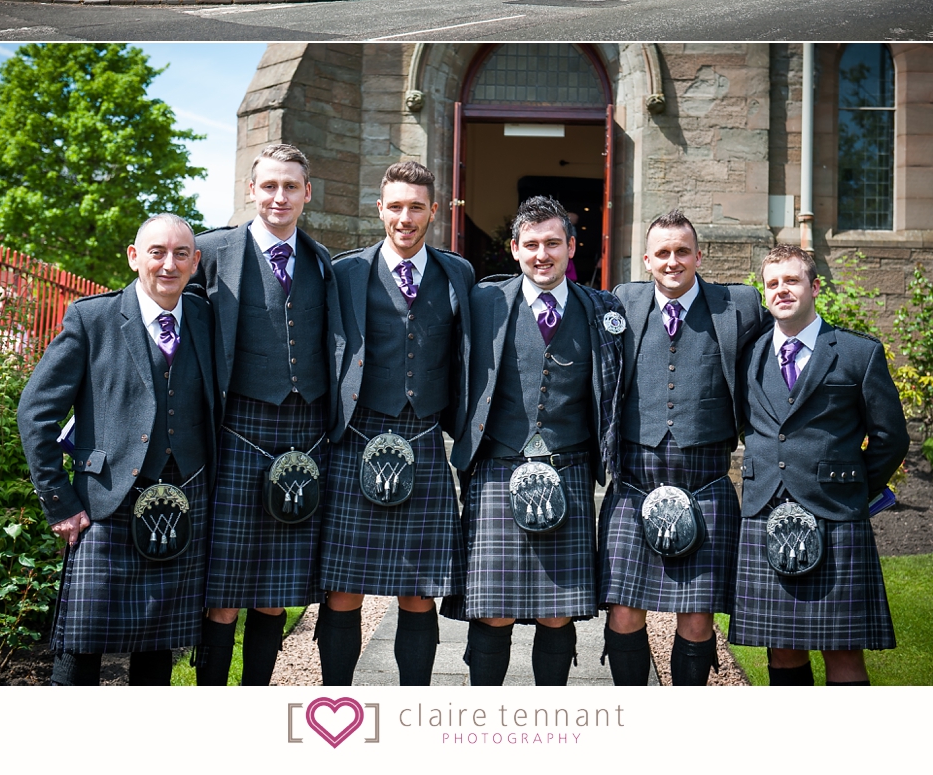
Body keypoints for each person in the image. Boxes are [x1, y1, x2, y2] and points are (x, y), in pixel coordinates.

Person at [16, 215, 219, 685]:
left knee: (157, 643)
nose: (169, 264)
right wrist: (59, 502)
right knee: (81, 641)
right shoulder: (93, 318)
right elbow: (35, 411)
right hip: (105, 502)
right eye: (157, 252)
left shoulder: (206, 319)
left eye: (181, 254)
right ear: (134, 256)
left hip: (182, 502)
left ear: (196, 262)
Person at [448, 195, 625, 687]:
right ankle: (482, 715)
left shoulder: (602, 309)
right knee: (492, 611)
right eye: (531, 245)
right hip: (497, 466)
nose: (541, 254)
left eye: (552, 243)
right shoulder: (483, 301)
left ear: (571, 246)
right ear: (514, 249)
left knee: (557, 613)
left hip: (568, 468)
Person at [189, 143, 343, 687]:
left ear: (307, 193)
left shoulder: (326, 264)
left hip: (305, 435)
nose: (280, 197)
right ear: (251, 190)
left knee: (276, 595)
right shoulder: (209, 252)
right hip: (236, 431)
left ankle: (256, 698)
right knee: (224, 595)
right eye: (269, 186)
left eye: (290, 187)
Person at [318, 161, 474, 686]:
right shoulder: (345, 272)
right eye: (395, 206)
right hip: (358, 439)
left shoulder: (459, 273)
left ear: (434, 210)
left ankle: (415, 704)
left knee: (419, 587)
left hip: (425, 437)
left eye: (416, 207)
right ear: (379, 208)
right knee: (343, 586)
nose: (404, 218)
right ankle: (335, 699)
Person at [598, 209, 765, 686]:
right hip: (634, 481)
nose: (673, 262)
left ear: (698, 256)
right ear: (647, 259)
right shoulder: (622, 302)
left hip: (706, 482)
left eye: (682, 252)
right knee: (625, 611)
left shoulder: (739, 306)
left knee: (697, 617)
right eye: (663, 253)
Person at [728, 244, 909, 685]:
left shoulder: (856, 353)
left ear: (814, 286)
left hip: (836, 516)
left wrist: (853, 488)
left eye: (791, 280)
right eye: (772, 283)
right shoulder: (747, 355)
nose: (781, 290)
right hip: (765, 512)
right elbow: (742, 423)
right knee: (782, 649)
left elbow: (891, 437)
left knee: (842, 650)